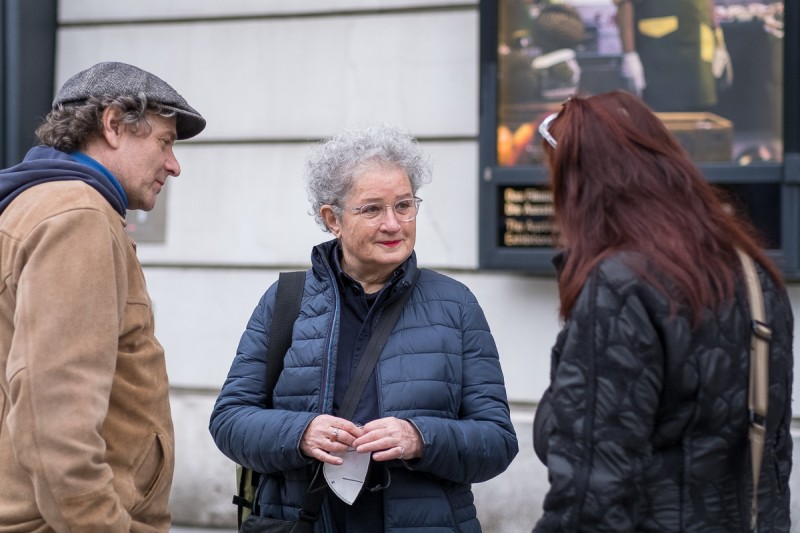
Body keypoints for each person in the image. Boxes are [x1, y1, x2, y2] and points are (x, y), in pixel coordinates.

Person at [210, 124, 518, 531]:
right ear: (331, 219)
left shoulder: (456, 304)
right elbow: (229, 420)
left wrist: (419, 437)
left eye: (404, 206)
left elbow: (497, 441)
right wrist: (300, 433)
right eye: (372, 209)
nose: (393, 224)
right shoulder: (285, 300)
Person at [532, 91, 792, 531]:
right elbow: (771, 457)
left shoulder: (622, 286)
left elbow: (591, 492)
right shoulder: (753, 272)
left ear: (583, 188)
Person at [0, 61, 205, 531]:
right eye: (165, 142)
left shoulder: (36, 206)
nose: (173, 165)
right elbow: (55, 417)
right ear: (113, 125)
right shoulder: (79, 217)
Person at [614, 0, 732, 111]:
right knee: (661, 120)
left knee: (700, 114)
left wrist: (718, 41)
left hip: (700, 48)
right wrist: (629, 53)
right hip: (661, 50)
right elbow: (624, 4)